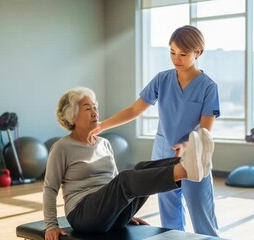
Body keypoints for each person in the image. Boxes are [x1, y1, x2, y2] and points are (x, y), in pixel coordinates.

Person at [92, 25, 220, 236]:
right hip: (163, 153)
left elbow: (205, 129)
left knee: (203, 218)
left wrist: (188, 144)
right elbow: (135, 109)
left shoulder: (208, 87)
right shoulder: (162, 79)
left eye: (183, 54)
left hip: (194, 156)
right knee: (169, 216)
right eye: (172, 52)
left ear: (198, 53)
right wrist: (102, 125)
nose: (176, 58)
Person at [43, 87, 212, 240]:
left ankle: (190, 161)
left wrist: (123, 210)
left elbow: (113, 181)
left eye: (95, 107)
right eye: (87, 108)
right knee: (126, 179)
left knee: (140, 168)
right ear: (72, 116)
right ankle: (185, 170)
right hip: (83, 215)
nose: (95, 112)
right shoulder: (61, 147)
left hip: (111, 216)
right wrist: (51, 225)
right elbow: (50, 188)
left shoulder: (103, 143)